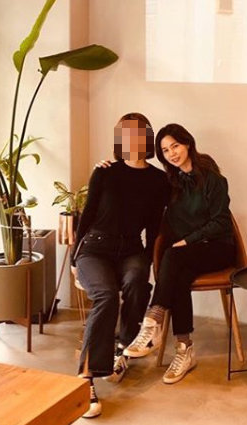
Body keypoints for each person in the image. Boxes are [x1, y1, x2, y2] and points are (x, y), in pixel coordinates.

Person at [72, 112, 169, 418]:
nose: (132, 139)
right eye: (126, 134)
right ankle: (86, 379)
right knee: (106, 296)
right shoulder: (105, 172)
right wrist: (75, 257)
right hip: (95, 249)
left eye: (138, 133)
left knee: (138, 282)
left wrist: (151, 261)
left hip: (131, 249)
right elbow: (87, 214)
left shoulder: (158, 180)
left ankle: (123, 348)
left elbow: (154, 226)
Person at [122, 123, 236, 384]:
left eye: (175, 146)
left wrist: (188, 240)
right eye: (165, 150)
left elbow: (221, 222)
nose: (172, 153)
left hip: (218, 247)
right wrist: (109, 166)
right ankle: (185, 349)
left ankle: (152, 321)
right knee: (179, 278)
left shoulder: (213, 179)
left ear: (188, 144)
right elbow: (139, 188)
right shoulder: (170, 184)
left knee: (173, 257)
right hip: (187, 253)